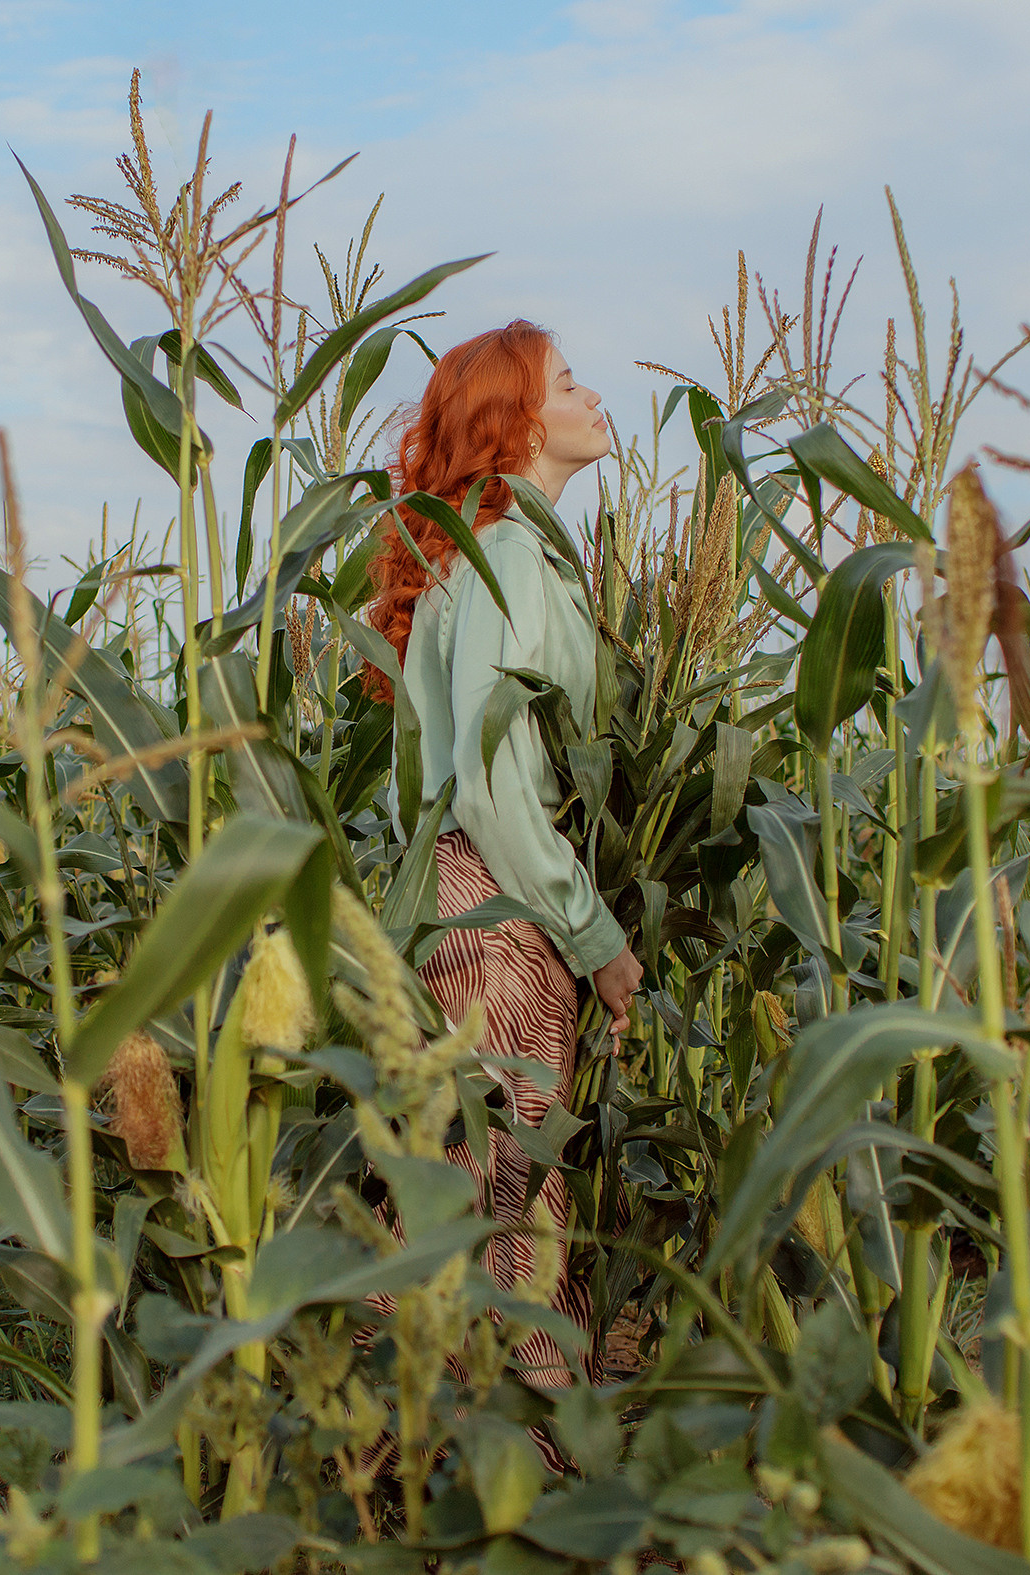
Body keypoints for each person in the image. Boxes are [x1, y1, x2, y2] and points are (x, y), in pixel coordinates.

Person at [361, 319, 644, 1385]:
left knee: (453, 1189)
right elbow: (489, 774)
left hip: (459, 901)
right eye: (569, 383)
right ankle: (536, 1462)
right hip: (497, 913)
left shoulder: (483, 552)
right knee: (514, 1206)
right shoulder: (509, 553)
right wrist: (592, 933)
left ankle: (371, 1438)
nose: (592, 396)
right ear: (519, 420)